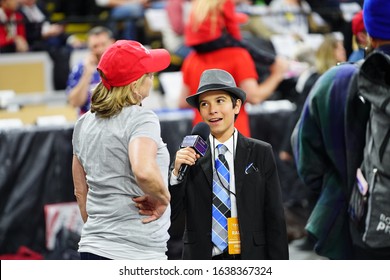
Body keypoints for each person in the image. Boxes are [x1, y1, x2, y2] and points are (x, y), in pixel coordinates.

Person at [291, 0, 390, 259]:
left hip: (359, 228)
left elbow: (306, 161)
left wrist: (339, 187)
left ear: (367, 33)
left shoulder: (337, 82)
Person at [169, 69, 289, 260]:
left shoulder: (260, 152)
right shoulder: (189, 156)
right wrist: (176, 174)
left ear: (236, 105)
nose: (212, 110)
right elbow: (172, 215)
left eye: (220, 101)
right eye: (204, 104)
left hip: (250, 257)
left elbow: (274, 216)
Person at [72, 40, 172, 260]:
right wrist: (163, 199)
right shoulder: (141, 118)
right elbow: (143, 170)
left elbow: (81, 192)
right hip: (137, 254)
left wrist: (102, 234)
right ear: (135, 84)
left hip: (93, 247)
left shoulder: (83, 123)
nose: (152, 77)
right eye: (149, 74)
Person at [66, 26, 115, 116]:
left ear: (112, 43)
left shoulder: (121, 66)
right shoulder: (80, 67)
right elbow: (74, 103)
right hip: (89, 123)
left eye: (103, 45)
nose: (100, 49)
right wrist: (87, 74)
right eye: (95, 46)